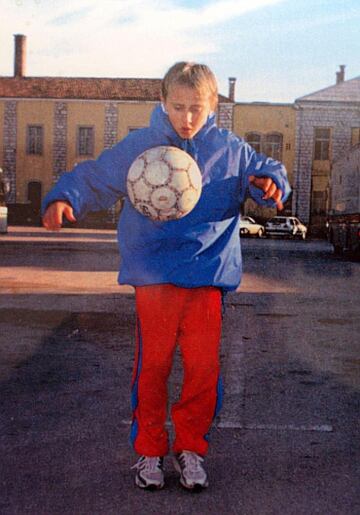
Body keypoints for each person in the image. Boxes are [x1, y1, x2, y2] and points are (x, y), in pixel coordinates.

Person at [42, 62, 291, 491]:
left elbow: (268, 173)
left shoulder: (231, 150)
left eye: (196, 108)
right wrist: (65, 197)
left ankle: (190, 448)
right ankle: (150, 452)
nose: (187, 118)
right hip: (154, 275)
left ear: (213, 106)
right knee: (152, 367)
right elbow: (95, 176)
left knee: (202, 369)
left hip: (207, 277)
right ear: (163, 102)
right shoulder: (141, 146)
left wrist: (270, 183)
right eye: (178, 107)